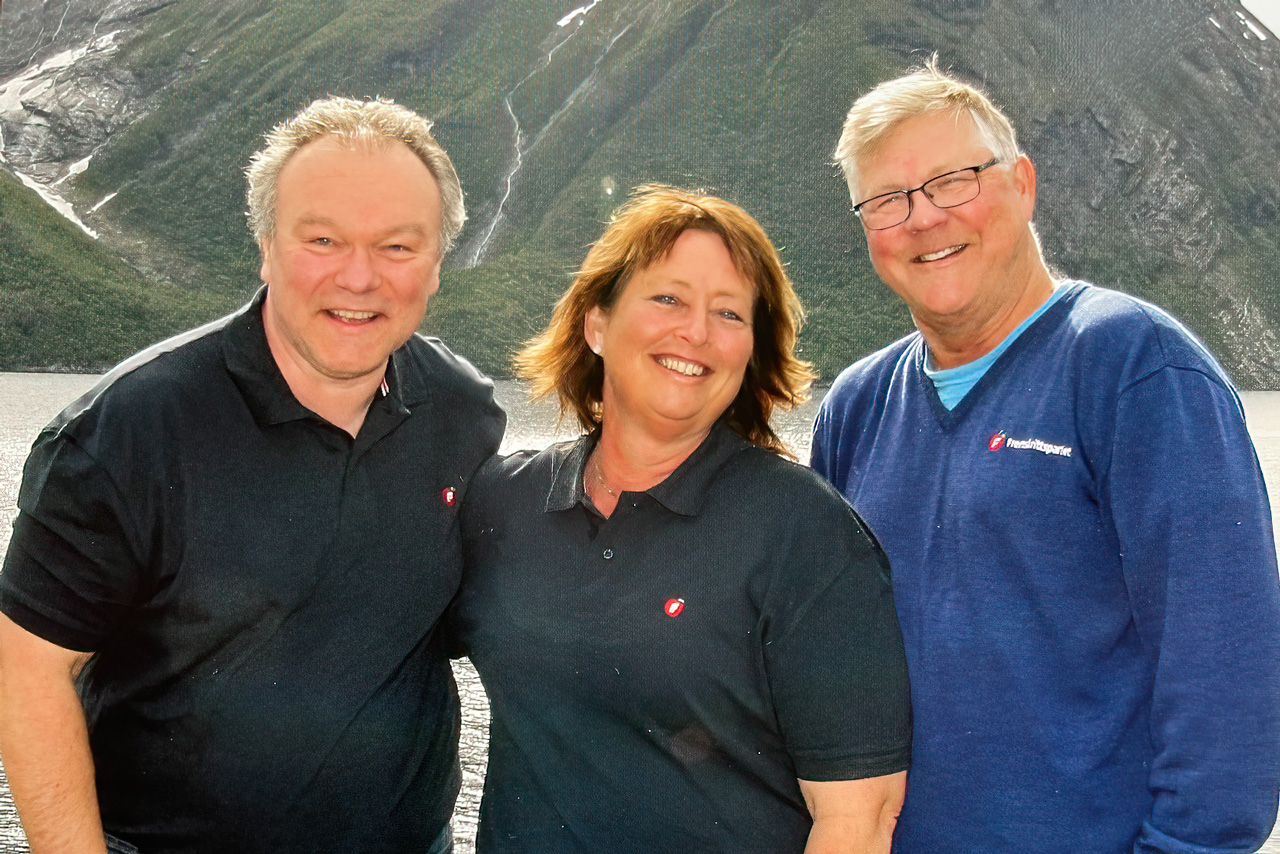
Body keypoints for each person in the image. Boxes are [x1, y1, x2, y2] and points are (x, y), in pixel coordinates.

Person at [0, 97, 504, 854]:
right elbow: (29, 670)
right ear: (267, 246)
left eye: (398, 247)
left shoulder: (462, 413)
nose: (359, 277)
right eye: (323, 239)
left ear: (437, 262)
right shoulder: (126, 433)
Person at [811, 58, 1280, 853]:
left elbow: (1227, 685)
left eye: (954, 180)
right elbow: (814, 666)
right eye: (888, 200)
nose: (924, 218)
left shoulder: (1136, 369)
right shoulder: (855, 407)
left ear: (1022, 184)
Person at [451, 185, 911, 854]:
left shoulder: (803, 529)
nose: (696, 332)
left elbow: (859, 816)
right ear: (596, 323)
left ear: (750, 351)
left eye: (729, 313)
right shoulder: (502, 504)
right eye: (667, 298)